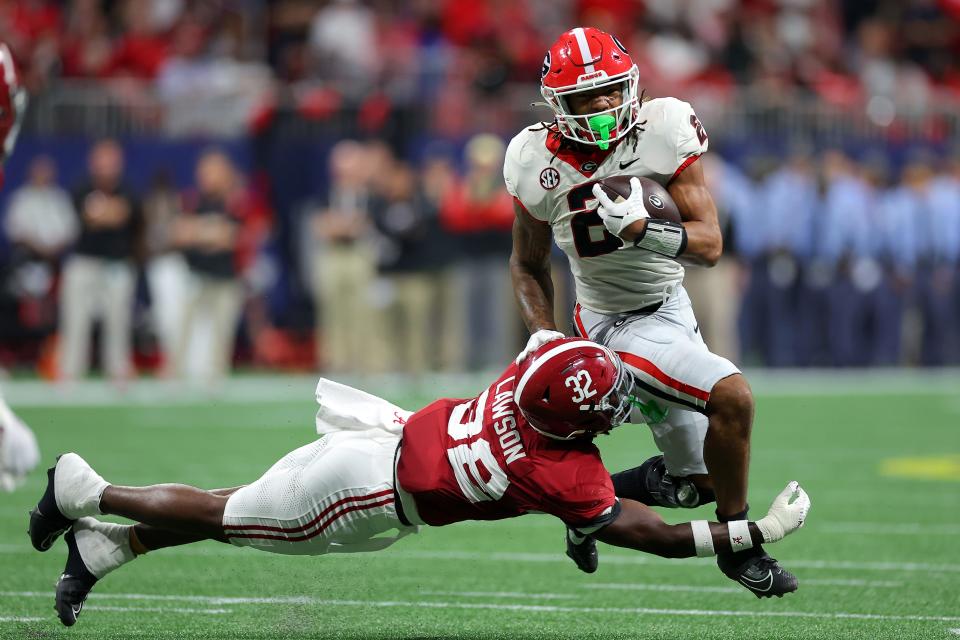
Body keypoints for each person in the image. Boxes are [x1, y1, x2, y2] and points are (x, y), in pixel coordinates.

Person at [28, 338, 810, 627]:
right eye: (604, 407)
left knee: (230, 506)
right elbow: (662, 539)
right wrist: (757, 532)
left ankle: (106, 550)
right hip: (366, 498)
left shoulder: (529, 368)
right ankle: (88, 491)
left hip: (384, 438)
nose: (615, 414)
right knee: (225, 513)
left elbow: (558, 358)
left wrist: (593, 514)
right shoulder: (558, 467)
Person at [505, 27, 796, 595]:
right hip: (616, 323)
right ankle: (741, 547)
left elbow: (709, 244)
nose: (603, 107)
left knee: (699, 483)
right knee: (731, 396)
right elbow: (526, 264)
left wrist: (647, 232)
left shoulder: (663, 127)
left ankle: (585, 506)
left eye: (611, 91)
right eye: (587, 99)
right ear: (557, 106)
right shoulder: (534, 160)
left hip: (674, 304)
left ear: (631, 86)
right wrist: (545, 337)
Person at [58, 139, 143, 382]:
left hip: (117, 263)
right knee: (75, 318)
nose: (106, 165)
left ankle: (118, 370)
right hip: (84, 262)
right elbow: (90, 216)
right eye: (102, 160)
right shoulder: (81, 186)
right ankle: (70, 371)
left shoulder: (128, 189)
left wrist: (105, 212)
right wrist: (110, 212)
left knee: (118, 319)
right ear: (93, 162)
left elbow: (122, 215)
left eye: (111, 160)